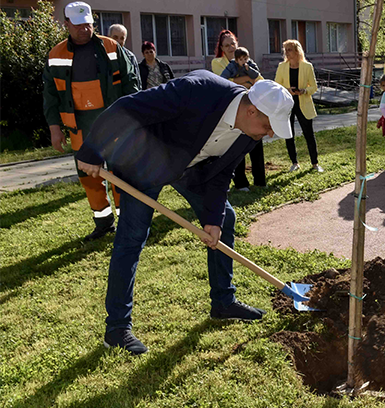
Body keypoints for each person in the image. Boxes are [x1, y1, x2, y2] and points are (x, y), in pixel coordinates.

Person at [74, 73, 294, 354]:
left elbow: (221, 173)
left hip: (189, 167)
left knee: (225, 221)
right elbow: (126, 108)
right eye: (268, 125)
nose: (269, 133)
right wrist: (92, 150)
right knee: (131, 239)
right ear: (251, 110)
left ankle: (223, 302)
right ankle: (117, 329)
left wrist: (212, 220)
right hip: (145, 160)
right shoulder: (197, 91)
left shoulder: (250, 132)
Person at [42, 1, 139, 241]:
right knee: (89, 177)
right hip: (80, 127)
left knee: (121, 174)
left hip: (115, 123)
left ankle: (128, 222)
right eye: (77, 25)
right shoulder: (55, 56)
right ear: (66, 24)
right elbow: (50, 96)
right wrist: (55, 129)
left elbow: (131, 84)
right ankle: (103, 223)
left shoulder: (112, 47)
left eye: (87, 25)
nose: (83, 30)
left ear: (93, 23)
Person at [211, 30, 266, 190]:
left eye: (232, 44)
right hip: (233, 110)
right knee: (237, 146)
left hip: (252, 107)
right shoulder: (217, 63)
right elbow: (223, 83)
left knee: (256, 143)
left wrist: (241, 80)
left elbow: (260, 80)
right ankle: (240, 183)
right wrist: (247, 79)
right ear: (221, 47)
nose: (230, 47)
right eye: (226, 45)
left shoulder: (247, 59)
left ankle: (260, 181)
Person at [275, 39, 324, 173]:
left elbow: (314, 87)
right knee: (288, 133)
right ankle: (294, 162)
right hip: (288, 104)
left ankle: (315, 163)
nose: (287, 53)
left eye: (289, 50)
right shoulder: (282, 66)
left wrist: (304, 91)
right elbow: (276, 86)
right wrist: (287, 90)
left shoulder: (307, 66)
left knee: (309, 134)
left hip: (303, 103)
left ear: (297, 51)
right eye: (285, 50)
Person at [108, 24, 141, 90]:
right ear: (109, 37)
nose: (119, 41)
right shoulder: (102, 55)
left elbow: (137, 81)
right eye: (115, 37)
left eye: (122, 38)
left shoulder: (130, 57)